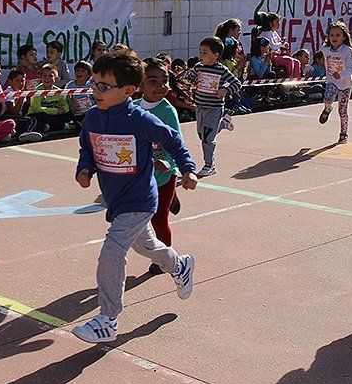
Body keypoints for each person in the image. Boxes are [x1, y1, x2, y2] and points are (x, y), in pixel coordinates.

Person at [72, 49, 198, 343]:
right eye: (94, 84)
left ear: (128, 91)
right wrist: (85, 169)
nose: (96, 91)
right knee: (147, 246)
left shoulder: (140, 120)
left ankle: (108, 319)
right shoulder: (92, 118)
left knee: (113, 250)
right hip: (116, 201)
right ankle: (179, 265)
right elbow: (87, 149)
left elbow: (173, 139)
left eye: (104, 86)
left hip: (140, 200)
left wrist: (187, 168)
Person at [134, 58, 184, 275]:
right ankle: (172, 198)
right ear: (140, 85)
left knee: (159, 219)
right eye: (153, 81)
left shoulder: (167, 111)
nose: (160, 86)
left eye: (164, 81)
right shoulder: (133, 108)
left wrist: (170, 163)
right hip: (142, 176)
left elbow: (176, 142)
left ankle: (166, 259)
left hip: (164, 175)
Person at [193, 36, 241, 177]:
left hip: (214, 108)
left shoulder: (222, 70)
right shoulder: (198, 67)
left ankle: (209, 165)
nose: (201, 55)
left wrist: (225, 90)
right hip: (200, 106)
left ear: (216, 55)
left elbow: (236, 83)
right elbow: (189, 79)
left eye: (205, 52)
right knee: (202, 135)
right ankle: (225, 123)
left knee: (208, 138)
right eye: (200, 52)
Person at [319, 21, 352, 144]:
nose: (334, 37)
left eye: (338, 35)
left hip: (345, 85)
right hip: (331, 82)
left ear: (344, 37)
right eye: (332, 35)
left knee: (342, 111)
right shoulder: (325, 50)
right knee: (328, 98)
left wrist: (340, 74)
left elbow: (351, 68)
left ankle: (343, 133)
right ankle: (327, 109)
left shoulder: (347, 50)